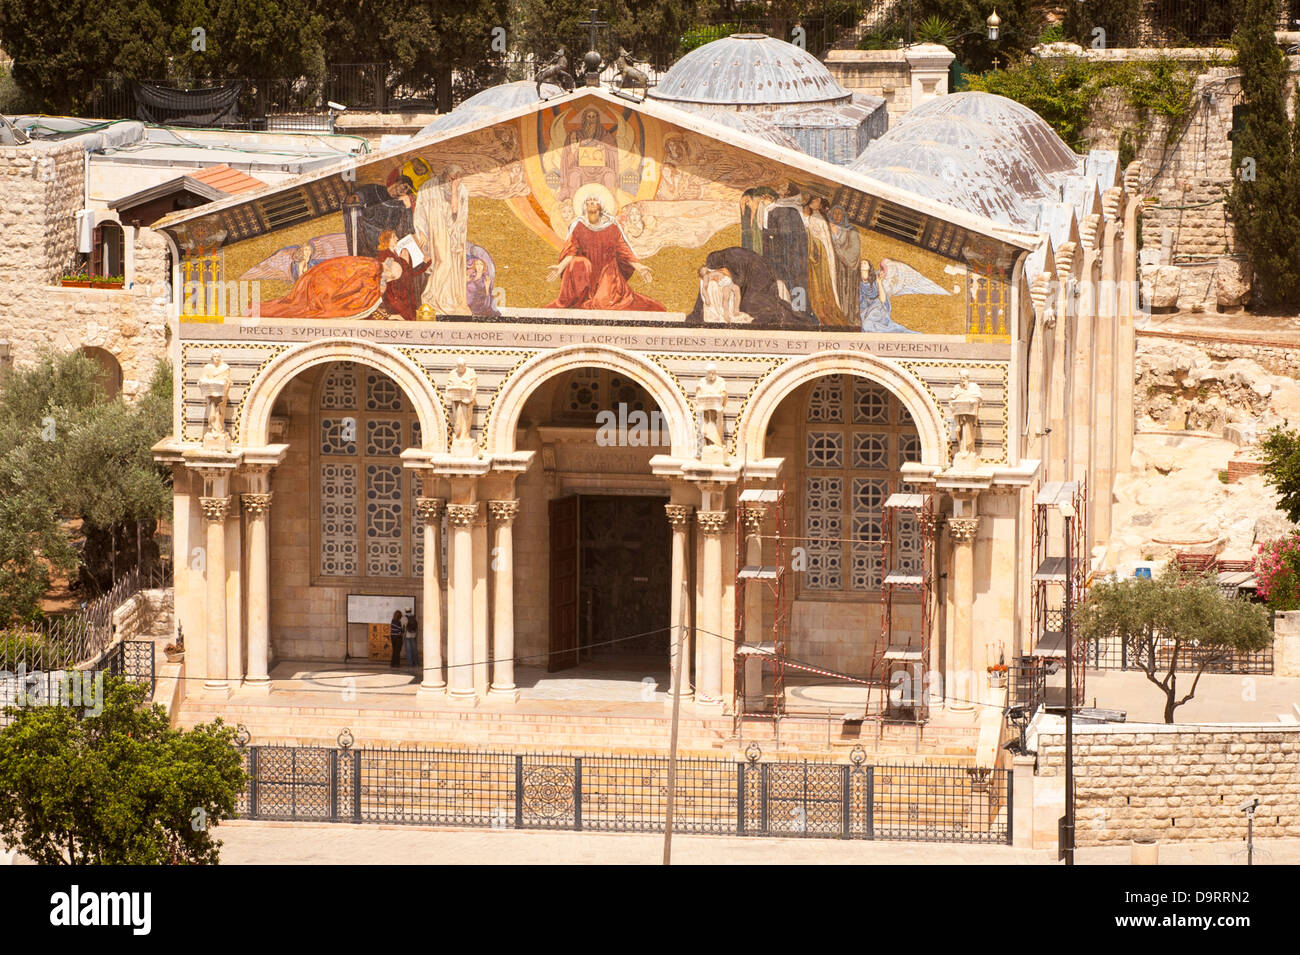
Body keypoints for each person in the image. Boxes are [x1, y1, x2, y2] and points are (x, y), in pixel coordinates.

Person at [545, 191, 665, 311]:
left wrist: (639, 267)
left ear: (601, 205)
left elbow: (624, 250)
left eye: (595, 200)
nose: (591, 202)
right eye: (589, 201)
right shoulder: (579, 226)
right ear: (584, 206)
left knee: (604, 303)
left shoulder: (611, 227)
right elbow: (571, 250)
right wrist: (560, 267)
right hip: (586, 275)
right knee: (579, 262)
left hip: (607, 271)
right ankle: (581, 296)